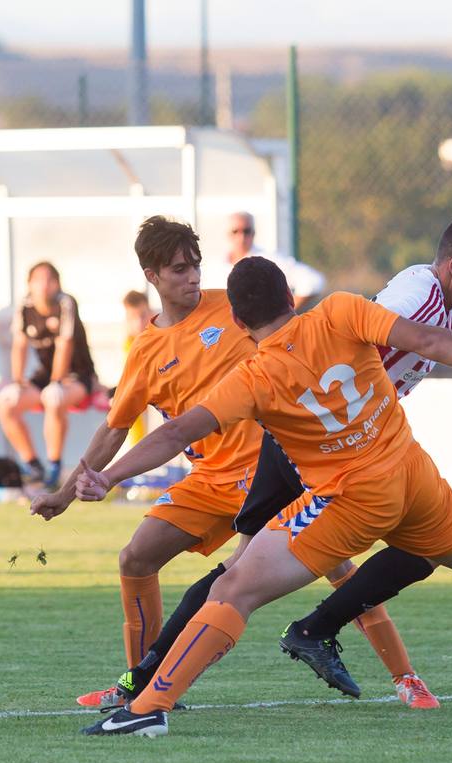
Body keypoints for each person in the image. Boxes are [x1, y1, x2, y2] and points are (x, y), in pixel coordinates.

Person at [54, 256, 452, 738]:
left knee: (236, 586)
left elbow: (178, 430)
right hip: (413, 478)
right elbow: (430, 340)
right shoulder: (341, 311)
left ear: (238, 323)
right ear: (292, 296)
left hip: (349, 499)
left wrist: (109, 476)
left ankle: (150, 706)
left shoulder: (253, 376)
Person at [31, 217, 428, 712]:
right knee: (136, 556)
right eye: (179, 269)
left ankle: (406, 678)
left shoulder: (238, 309)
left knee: (336, 564)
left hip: (269, 473)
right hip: (208, 481)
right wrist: (68, 493)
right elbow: (115, 428)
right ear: (152, 276)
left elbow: (296, 337)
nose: (192, 277)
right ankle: (139, 685)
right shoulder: (146, 353)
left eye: (196, 266)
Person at [0, 261, 97, 487]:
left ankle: (54, 465)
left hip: (76, 375)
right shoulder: (25, 306)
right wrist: (18, 381)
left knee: (54, 397)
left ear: (58, 283)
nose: (44, 286)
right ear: (29, 284)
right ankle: (32, 464)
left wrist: (57, 381)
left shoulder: (66, 303)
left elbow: (65, 344)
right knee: (5, 402)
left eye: (50, 279)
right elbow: (19, 345)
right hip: (45, 375)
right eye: (38, 280)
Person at [200, 211, 325, 303]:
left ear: (254, 233)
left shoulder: (268, 260)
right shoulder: (214, 266)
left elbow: (313, 281)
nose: (241, 237)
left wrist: (286, 313)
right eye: (235, 231)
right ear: (228, 234)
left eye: (246, 231)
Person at [121, 289, 152, 444]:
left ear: (151, 312)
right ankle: (138, 449)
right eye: (133, 318)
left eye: (142, 315)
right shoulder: (129, 344)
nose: (139, 323)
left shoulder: (160, 334)